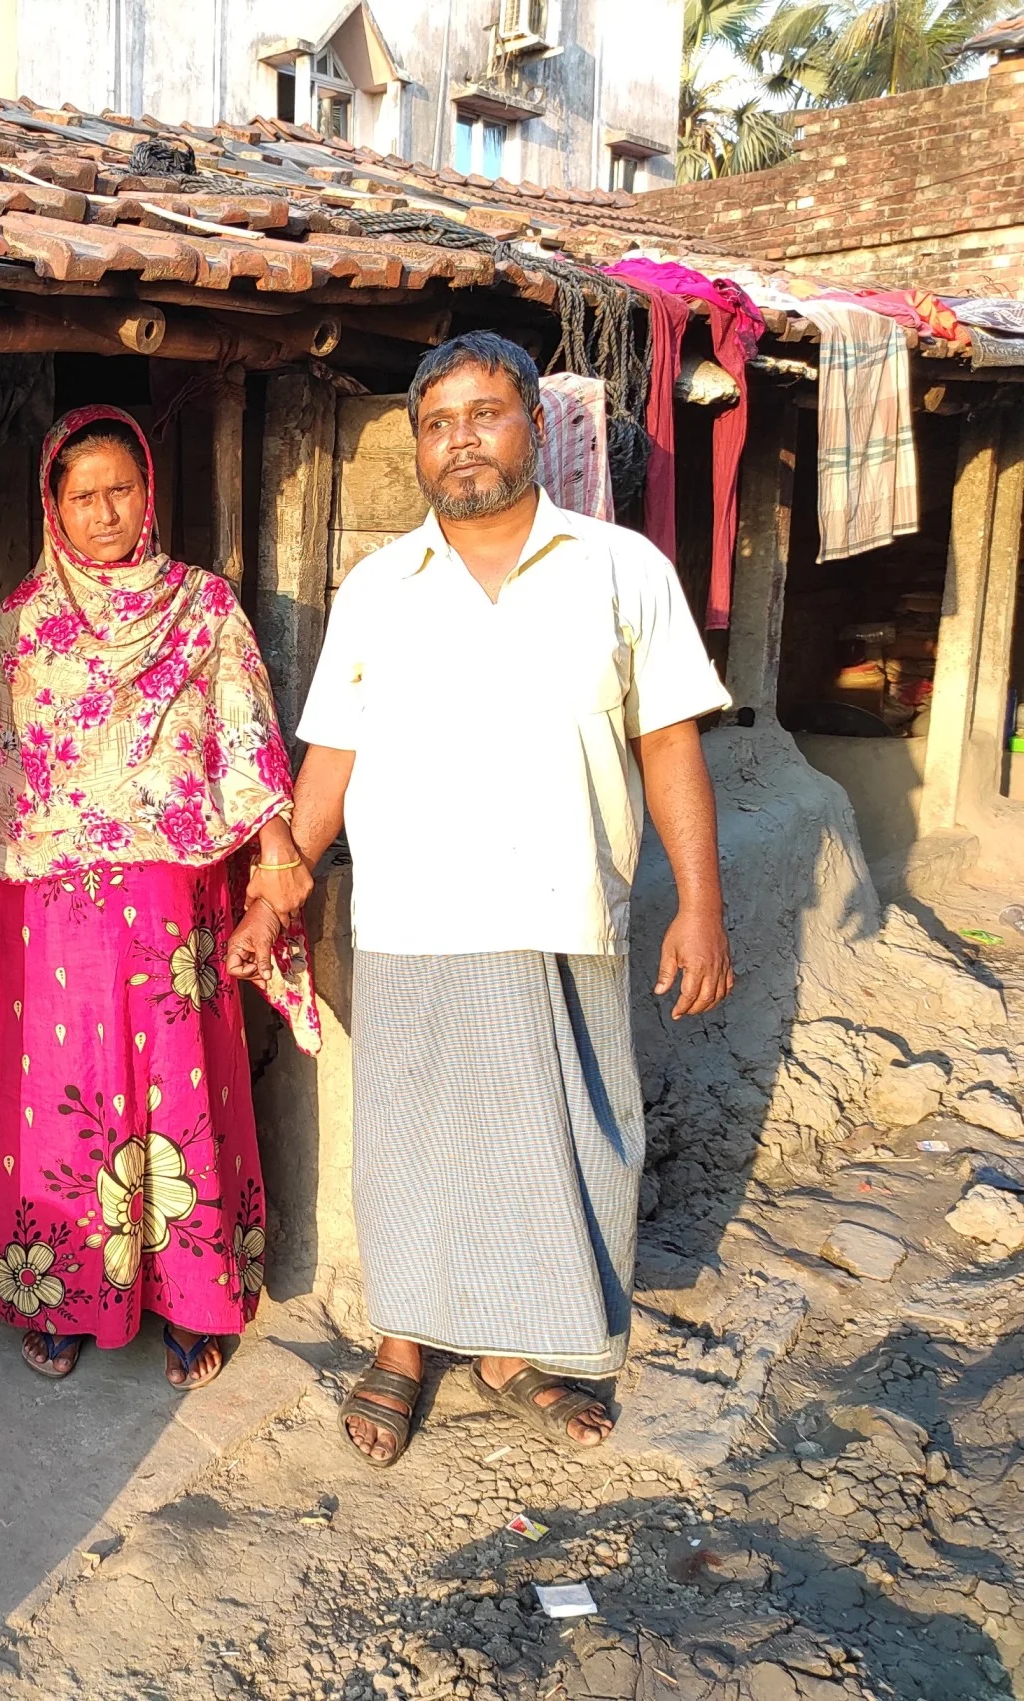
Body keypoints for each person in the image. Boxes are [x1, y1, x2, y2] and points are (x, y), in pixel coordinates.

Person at [226, 332, 735, 1463]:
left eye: (485, 412)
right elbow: (329, 760)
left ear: (534, 428)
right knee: (411, 1147)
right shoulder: (375, 588)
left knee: (560, 1145)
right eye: (437, 420)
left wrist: (699, 904)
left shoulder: (617, 570)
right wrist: (281, 888)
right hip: (412, 917)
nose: (461, 439)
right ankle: (404, 1347)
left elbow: (667, 746)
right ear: (418, 443)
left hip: (564, 908)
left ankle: (517, 1350)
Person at [0, 404, 320, 1392]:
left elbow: (244, 736)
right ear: (52, 507)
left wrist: (276, 859)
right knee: (59, 1102)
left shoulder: (199, 607)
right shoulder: (19, 623)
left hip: (167, 893)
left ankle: (192, 1296)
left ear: (147, 494)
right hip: (43, 901)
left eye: (120, 490)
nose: (104, 512)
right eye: (82, 495)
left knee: (177, 1080)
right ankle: (59, 1290)